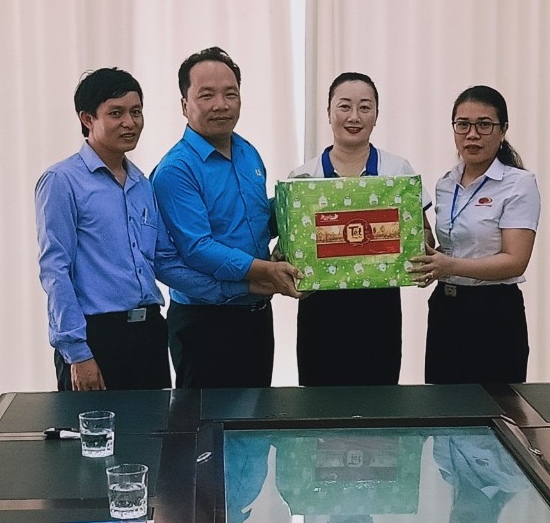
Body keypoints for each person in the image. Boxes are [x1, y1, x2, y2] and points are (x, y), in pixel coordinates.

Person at [35, 68, 246, 391]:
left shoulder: (142, 184)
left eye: (136, 112)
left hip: (148, 334)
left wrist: (234, 289)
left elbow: (164, 262)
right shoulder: (62, 181)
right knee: (97, 427)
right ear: (87, 119)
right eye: (116, 113)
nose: (130, 123)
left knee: (155, 425)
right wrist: (77, 352)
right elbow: (55, 271)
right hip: (95, 338)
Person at [152, 47, 302, 389]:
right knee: (205, 420)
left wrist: (299, 208)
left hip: (256, 313)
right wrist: (266, 271)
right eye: (207, 95)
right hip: (204, 321)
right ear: (184, 104)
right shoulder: (176, 170)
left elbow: (256, 221)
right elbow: (198, 249)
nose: (221, 104)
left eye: (230, 94)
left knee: (255, 415)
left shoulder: (247, 152)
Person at [287, 72, 434, 386]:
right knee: (318, 404)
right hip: (319, 308)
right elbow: (288, 248)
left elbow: (425, 234)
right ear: (329, 112)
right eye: (344, 106)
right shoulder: (303, 178)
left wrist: (418, 249)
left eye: (365, 107)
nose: (354, 116)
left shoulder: (398, 170)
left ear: (376, 115)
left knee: (379, 402)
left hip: (379, 307)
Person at [410, 85, 540, 384]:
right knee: (442, 405)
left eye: (484, 125)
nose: (472, 135)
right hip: (445, 307)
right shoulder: (446, 184)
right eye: (463, 124)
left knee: (496, 405)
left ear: (503, 130)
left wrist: (449, 265)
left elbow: (515, 261)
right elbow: (446, 246)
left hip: (494, 312)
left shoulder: (519, 184)